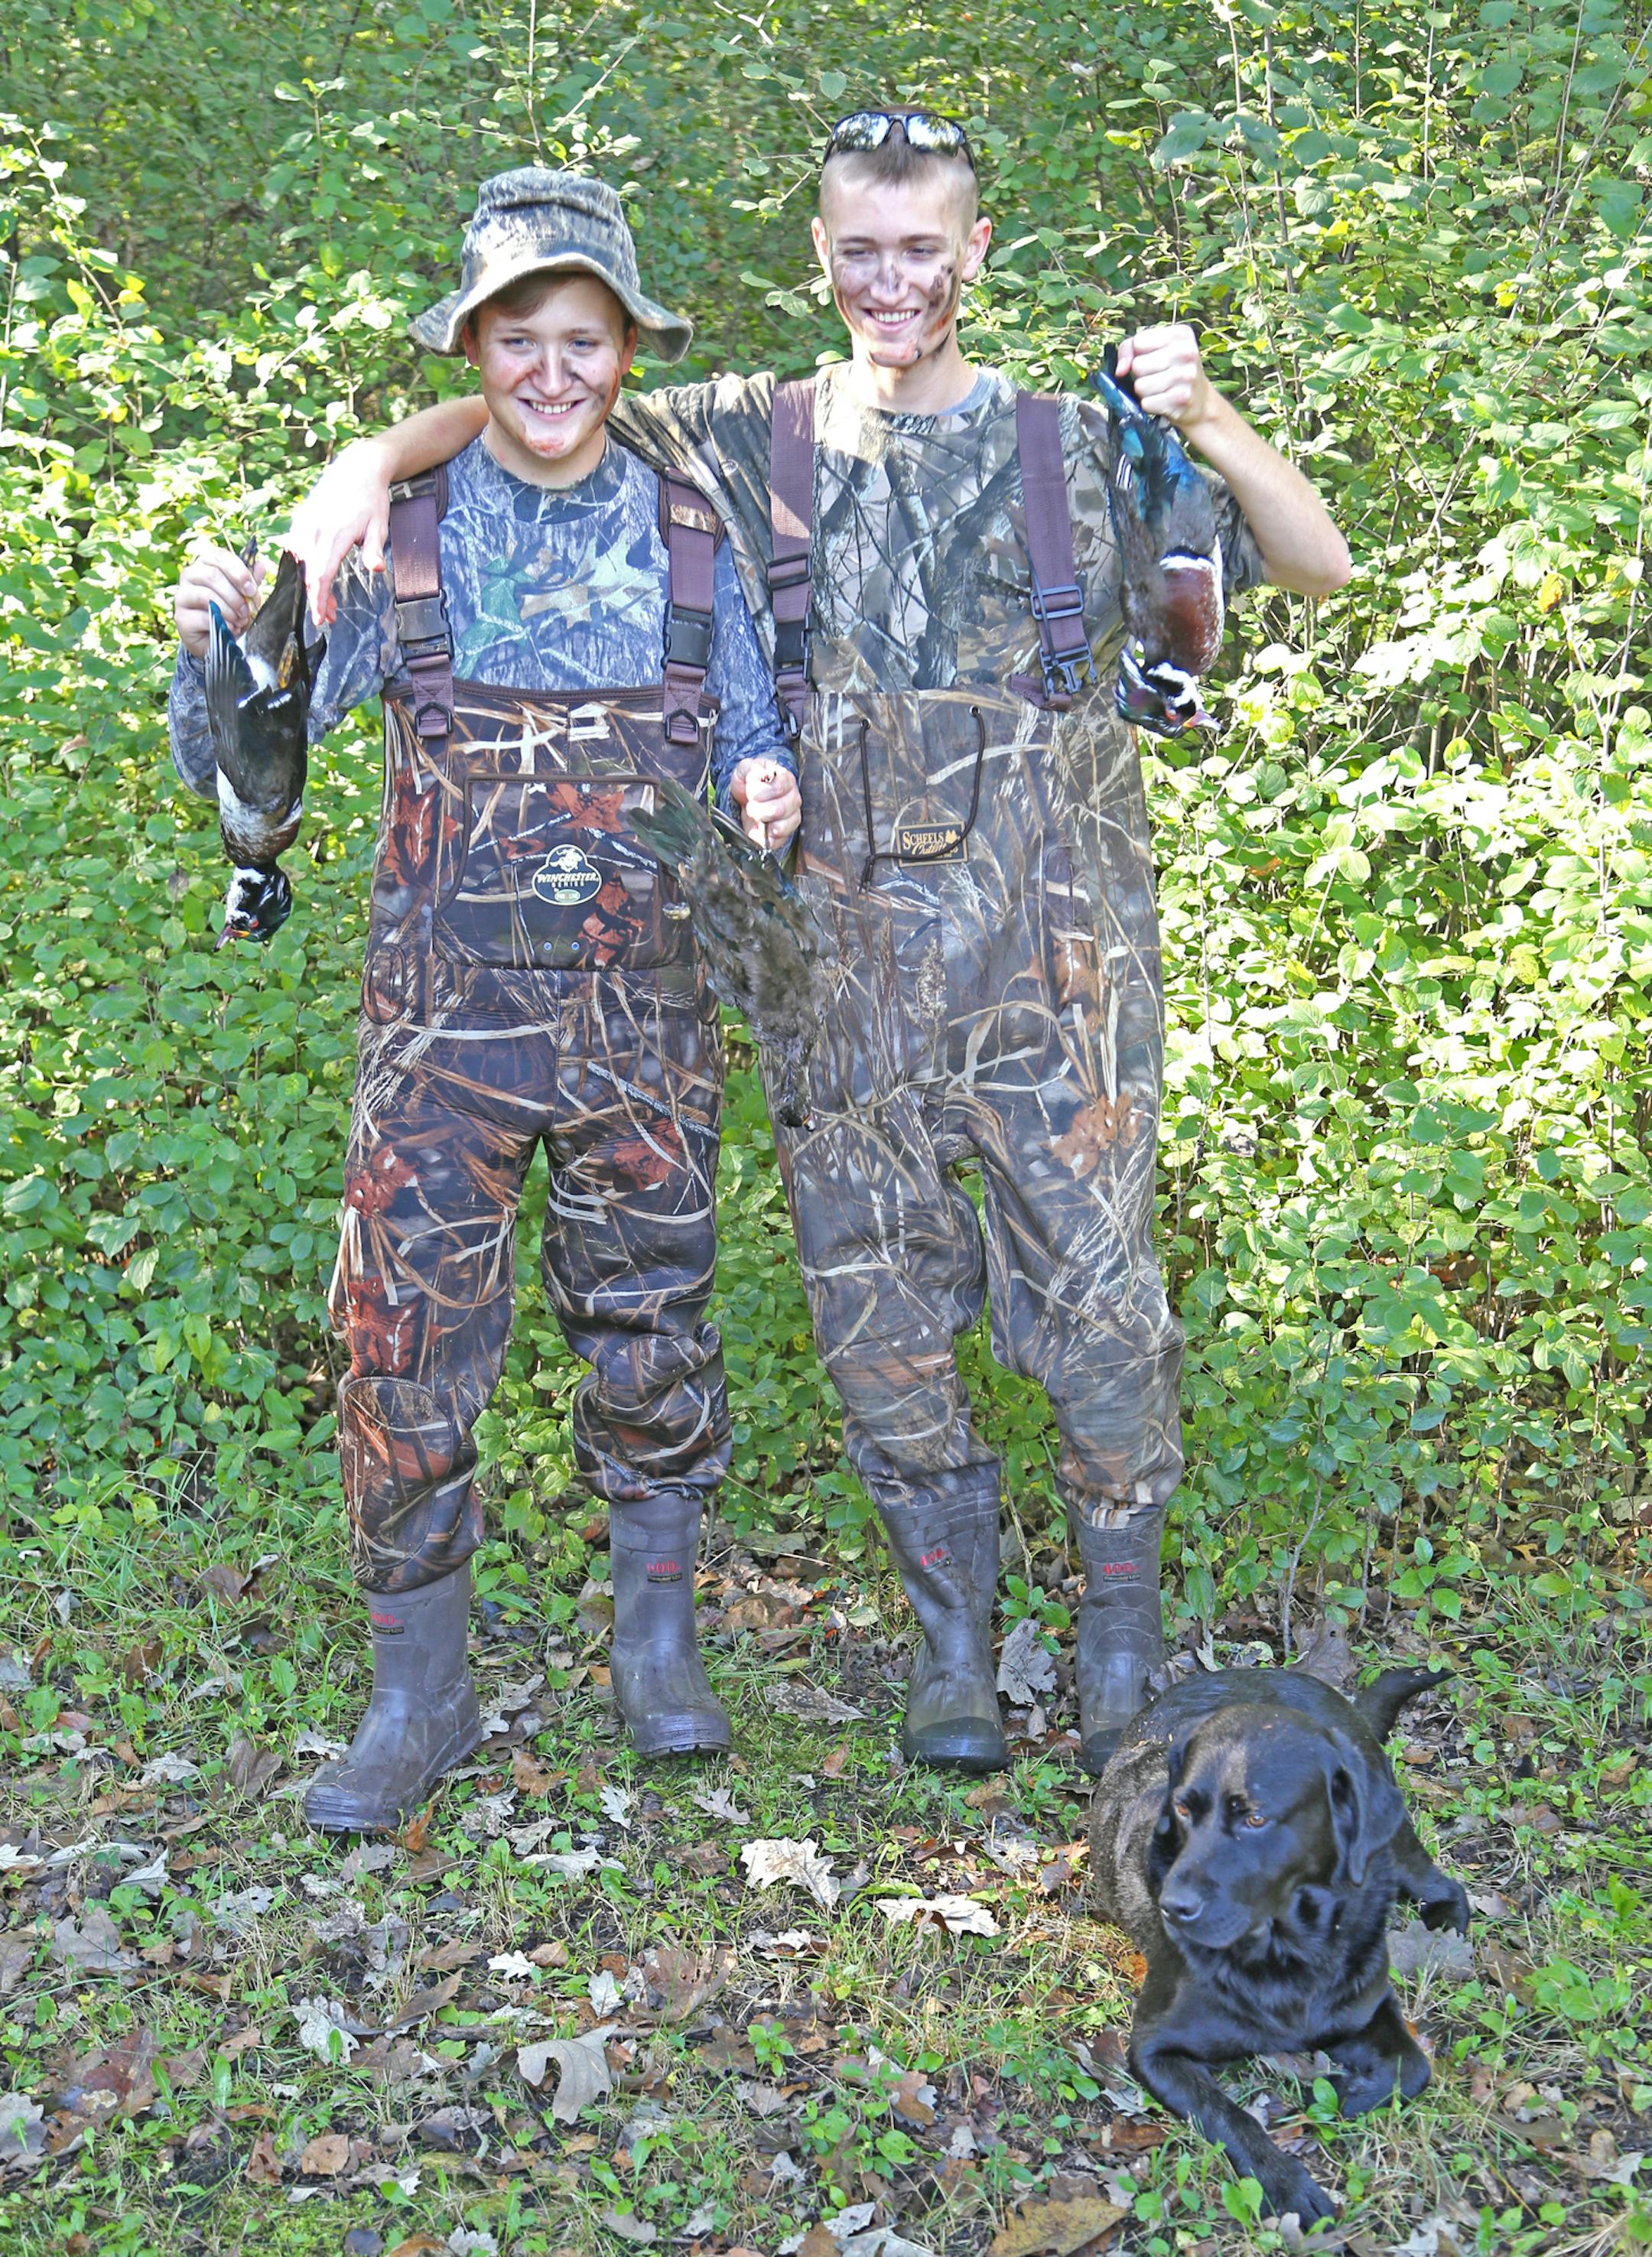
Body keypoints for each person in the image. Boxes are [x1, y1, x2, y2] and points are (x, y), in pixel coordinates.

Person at [288, 112, 1350, 1776]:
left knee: (1100, 1319)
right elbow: (539, 402)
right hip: (835, 990)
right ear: (820, 259)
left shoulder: (1080, 446)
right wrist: (373, 462)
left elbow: (1315, 562)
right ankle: (952, 1648)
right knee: (880, 1329)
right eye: (859, 250)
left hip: (1055, 990)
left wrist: (1206, 415)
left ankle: (1120, 1645)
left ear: (975, 252)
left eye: (921, 248)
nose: (890, 282)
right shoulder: (744, 439)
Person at [169, 168, 801, 1830]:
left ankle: (655, 1651)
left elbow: (750, 729)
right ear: (474, 346)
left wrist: (762, 784)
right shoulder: (397, 540)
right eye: (516, 340)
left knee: (653, 1334)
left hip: (643, 1023)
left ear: (625, 346)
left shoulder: (690, 528)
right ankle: (416, 1695)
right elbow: (260, 778)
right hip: (440, 1036)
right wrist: (231, 653)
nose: (549, 372)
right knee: (402, 1349)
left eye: (580, 339)